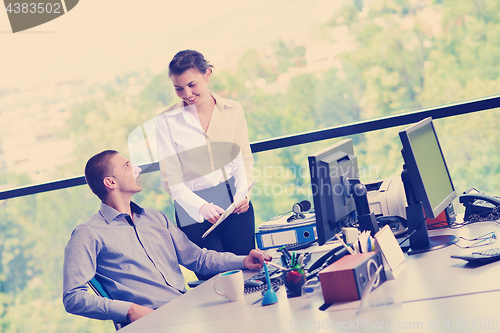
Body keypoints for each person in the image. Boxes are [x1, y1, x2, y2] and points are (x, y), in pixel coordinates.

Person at [62, 150, 270, 325]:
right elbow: (73, 297)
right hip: (154, 323)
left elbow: (198, 259)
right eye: (127, 165)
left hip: (188, 312)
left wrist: (243, 260)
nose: (137, 169)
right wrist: (131, 311)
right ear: (110, 182)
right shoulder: (88, 234)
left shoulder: (154, 217)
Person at [156, 50, 255, 279]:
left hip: (234, 201)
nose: (187, 94)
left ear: (207, 74)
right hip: (192, 209)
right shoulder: (166, 122)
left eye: (192, 85)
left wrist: (243, 193)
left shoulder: (233, 110)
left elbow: (242, 160)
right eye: (179, 88)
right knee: (214, 282)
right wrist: (200, 207)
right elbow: (171, 181)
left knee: (248, 273)